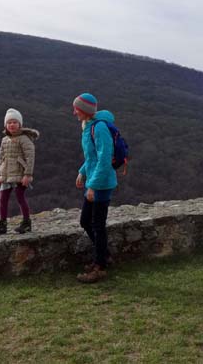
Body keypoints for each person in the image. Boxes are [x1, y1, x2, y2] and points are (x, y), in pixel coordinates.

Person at [73, 92, 117, 283]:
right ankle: (104, 255)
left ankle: (100, 266)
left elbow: (104, 159)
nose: (74, 113)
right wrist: (82, 171)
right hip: (94, 181)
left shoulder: (98, 128)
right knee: (86, 221)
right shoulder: (88, 127)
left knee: (97, 225)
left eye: (76, 109)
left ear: (85, 111)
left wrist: (93, 186)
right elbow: (92, 157)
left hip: (102, 184)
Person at [0, 108, 39, 234]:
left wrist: (27, 175)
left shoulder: (24, 139)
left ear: (20, 124)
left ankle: (27, 223)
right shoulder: (4, 140)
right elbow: (1, 158)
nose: (12, 125)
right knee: (2, 199)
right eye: (9, 122)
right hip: (6, 175)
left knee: (20, 197)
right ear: (5, 125)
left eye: (15, 122)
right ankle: (2, 224)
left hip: (20, 174)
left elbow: (30, 157)